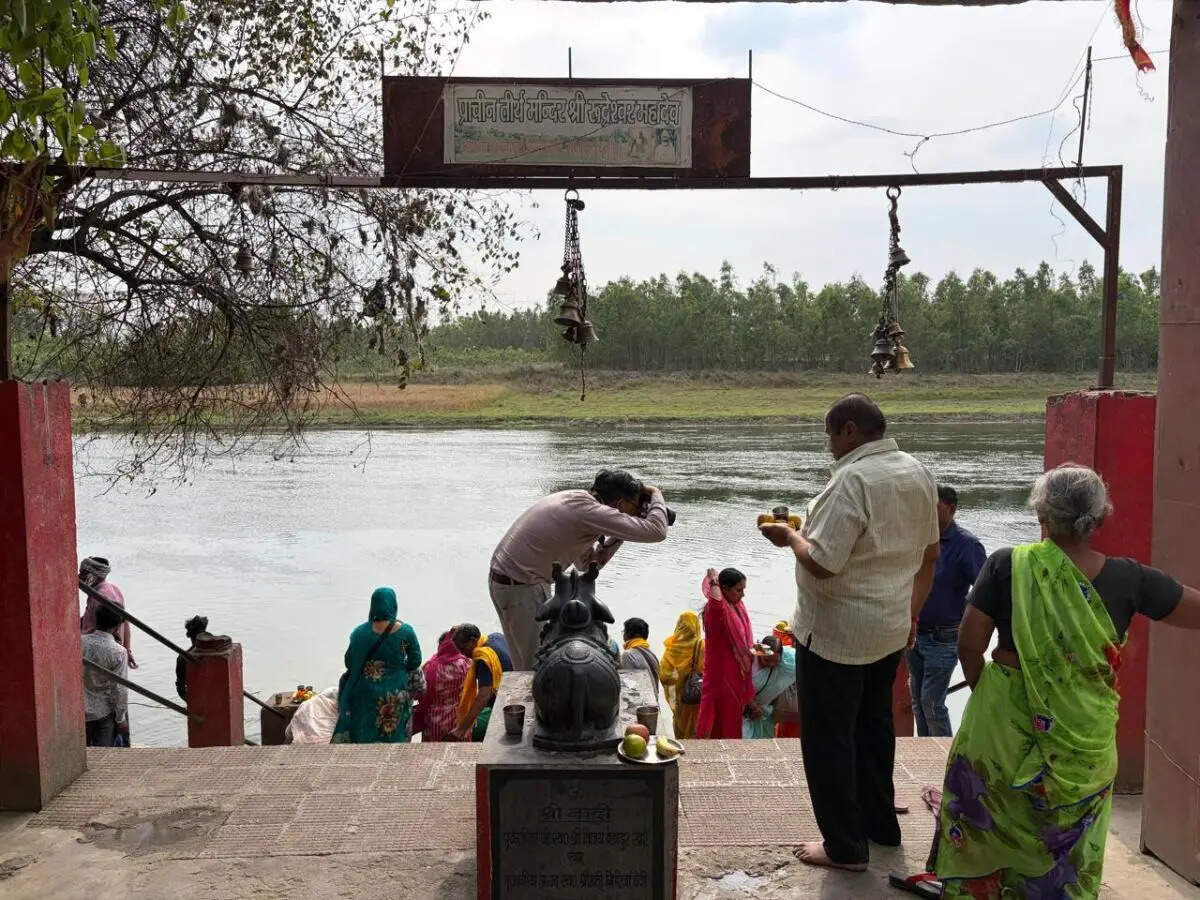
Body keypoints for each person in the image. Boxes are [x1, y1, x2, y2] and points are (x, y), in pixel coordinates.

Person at [930, 464, 1200, 898]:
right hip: (1084, 743)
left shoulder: (1007, 566)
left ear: (1042, 514)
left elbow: (968, 646)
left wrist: (995, 697)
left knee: (986, 834)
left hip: (1000, 733)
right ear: (1099, 518)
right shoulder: (1131, 579)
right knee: (1066, 856)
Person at [760, 394, 939, 872]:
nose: (830, 448)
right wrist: (911, 617)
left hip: (836, 636)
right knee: (873, 729)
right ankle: (880, 827)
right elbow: (930, 555)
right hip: (888, 629)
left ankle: (843, 846)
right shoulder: (917, 471)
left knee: (828, 739)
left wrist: (790, 536)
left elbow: (821, 563)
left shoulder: (852, 480)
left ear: (850, 431)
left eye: (831, 437)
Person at [488, 469, 670, 669]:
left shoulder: (578, 501)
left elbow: (587, 563)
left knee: (525, 663)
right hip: (523, 586)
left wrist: (621, 532)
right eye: (634, 506)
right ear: (619, 504)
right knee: (536, 668)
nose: (635, 513)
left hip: (509, 581)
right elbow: (658, 531)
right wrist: (655, 493)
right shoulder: (591, 512)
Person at [908, 485, 986, 737]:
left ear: (951, 510)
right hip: (915, 632)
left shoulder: (966, 545)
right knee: (919, 702)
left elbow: (984, 590)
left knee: (932, 702)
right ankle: (925, 753)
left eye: (936, 506)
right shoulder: (918, 539)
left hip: (945, 636)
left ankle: (944, 758)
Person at [330, 587, 422, 744]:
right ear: (393, 605)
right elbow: (415, 660)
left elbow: (349, 662)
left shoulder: (359, 633)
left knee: (364, 735)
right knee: (393, 737)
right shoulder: (406, 631)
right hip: (394, 694)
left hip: (364, 693)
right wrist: (397, 667)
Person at [696, 567, 755, 740]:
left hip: (736, 673)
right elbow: (715, 601)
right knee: (720, 718)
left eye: (743, 589)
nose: (742, 595)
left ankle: (728, 752)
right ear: (724, 589)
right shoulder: (716, 610)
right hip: (721, 675)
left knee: (732, 717)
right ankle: (709, 753)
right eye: (738, 590)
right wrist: (714, 580)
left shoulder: (737, 606)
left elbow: (741, 641)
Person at [451, 625, 514, 741]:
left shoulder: (482, 658)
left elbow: (484, 696)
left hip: (507, 705)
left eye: (464, 649)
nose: (463, 655)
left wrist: (462, 729)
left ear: (473, 640)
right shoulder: (496, 637)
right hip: (516, 690)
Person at [81, 604, 129, 747]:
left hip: (80, 710)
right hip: (104, 713)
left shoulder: (80, 641)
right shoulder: (118, 652)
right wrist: (121, 719)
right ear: (117, 626)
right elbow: (119, 689)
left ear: (96, 620)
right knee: (104, 754)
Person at [79, 556, 136, 669]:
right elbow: (125, 621)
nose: (79, 578)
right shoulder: (113, 589)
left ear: (91, 576)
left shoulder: (100, 597)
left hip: (99, 653)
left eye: (82, 574)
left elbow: (103, 631)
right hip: (114, 650)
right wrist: (127, 650)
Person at [418, 629, 471, 743]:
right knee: (460, 757)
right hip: (458, 721)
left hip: (433, 723)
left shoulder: (428, 666)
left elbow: (420, 693)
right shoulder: (466, 664)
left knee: (432, 756)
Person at [660, 611, 705, 739]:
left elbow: (664, 675)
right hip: (696, 698)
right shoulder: (701, 646)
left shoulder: (671, 648)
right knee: (695, 730)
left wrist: (678, 684)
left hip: (681, 699)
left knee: (680, 727)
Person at [743, 635, 798, 739]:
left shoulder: (785, 664)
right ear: (760, 652)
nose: (771, 665)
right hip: (742, 711)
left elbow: (799, 662)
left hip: (763, 714)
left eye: (775, 661)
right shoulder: (748, 661)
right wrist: (753, 706)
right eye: (767, 660)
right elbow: (739, 686)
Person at [175, 615, 209, 702]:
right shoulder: (214, 651)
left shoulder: (182, 658)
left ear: (189, 635)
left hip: (196, 699)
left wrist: (191, 701)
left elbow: (180, 688)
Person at [619, 617, 661, 685]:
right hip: (653, 695)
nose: (623, 635)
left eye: (624, 631)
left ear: (629, 633)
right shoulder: (652, 655)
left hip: (640, 695)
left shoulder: (627, 655)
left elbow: (629, 687)